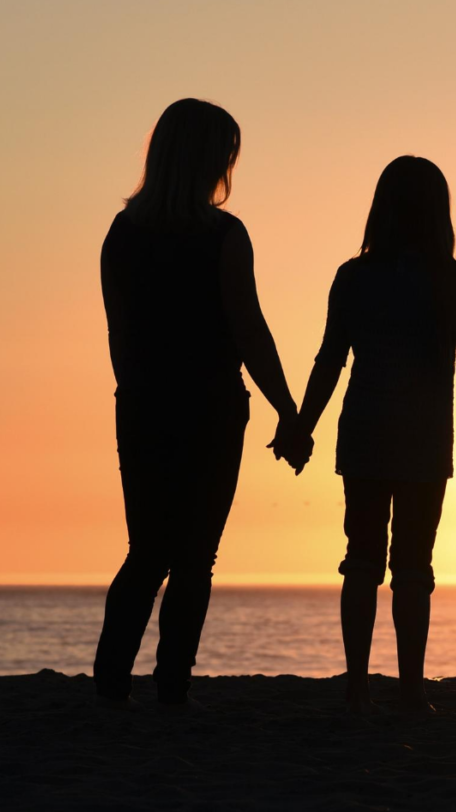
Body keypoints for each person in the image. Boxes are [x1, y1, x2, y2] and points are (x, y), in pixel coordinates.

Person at [295, 156, 456, 714]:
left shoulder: (354, 276)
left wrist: (302, 427)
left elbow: (329, 361)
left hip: (365, 432)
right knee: (413, 565)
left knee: (360, 558)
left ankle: (357, 687)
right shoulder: (455, 280)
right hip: (425, 440)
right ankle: (409, 691)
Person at [93, 98, 312, 709]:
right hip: (211, 407)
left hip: (142, 406)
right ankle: (171, 688)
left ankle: (113, 684)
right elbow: (249, 329)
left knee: (148, 551)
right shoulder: (221, 234)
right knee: (192, 557)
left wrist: (138, 392)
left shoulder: (123, 233)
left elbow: (119, 333)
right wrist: (287, 410)